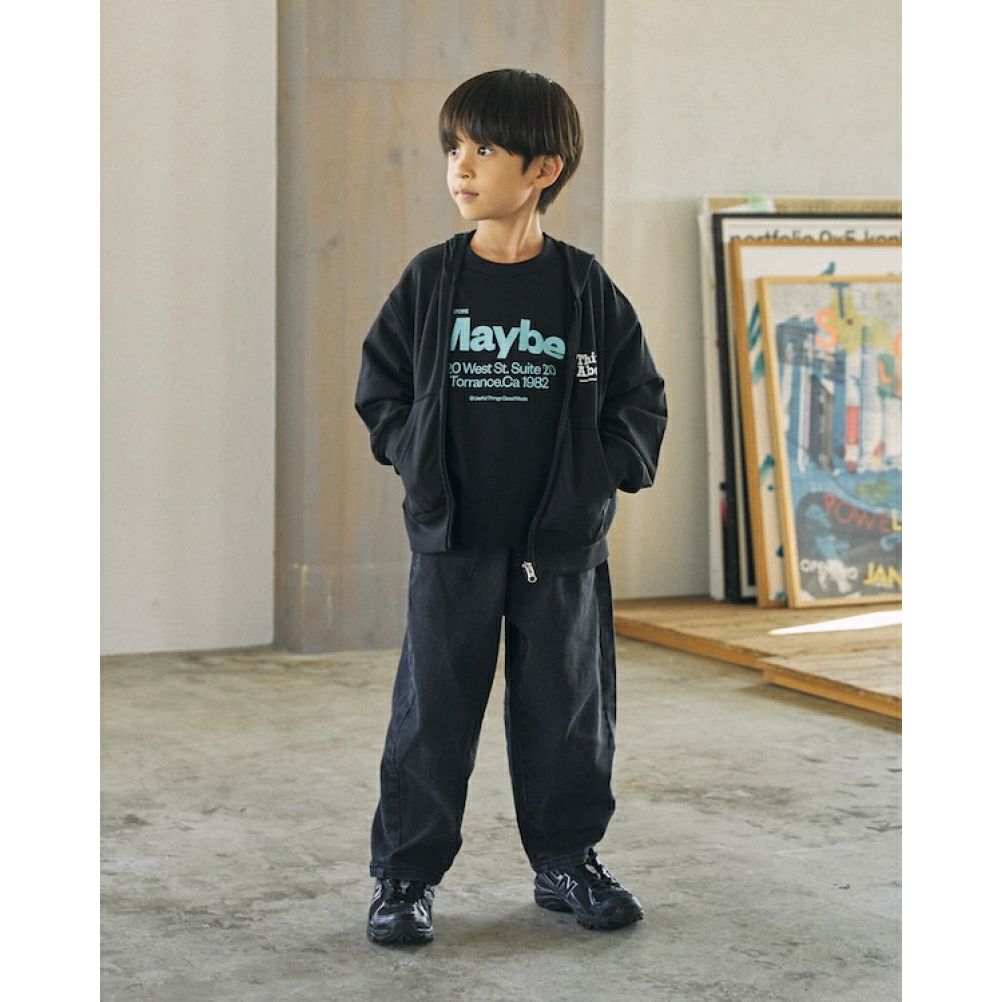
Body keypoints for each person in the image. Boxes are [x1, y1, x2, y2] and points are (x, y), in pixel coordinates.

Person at [355, 68, 667, 946]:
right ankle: (405, 878)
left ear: (542, 169)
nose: (460, 165)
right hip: (454, 542)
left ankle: (566, 861)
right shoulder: (432, 279)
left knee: (566, 710)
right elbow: (381, 388)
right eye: (454, 147)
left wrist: (597, 477)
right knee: (433, 712)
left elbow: (639, 396)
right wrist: (417, 461)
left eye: (484, 149)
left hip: (556, 547)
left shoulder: (582, 288)